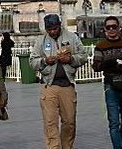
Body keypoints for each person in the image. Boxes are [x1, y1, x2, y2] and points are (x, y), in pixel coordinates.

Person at [28, 13, 88, 149]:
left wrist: (71, 59)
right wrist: (44, 61)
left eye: (55, 28)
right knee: (50, 122)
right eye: (49, 29)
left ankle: (67, 147)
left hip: (67, 86)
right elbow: (32, 61)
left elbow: (83, 56)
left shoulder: (72, 37)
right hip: (49, 86)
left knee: (69, 122)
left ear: (59, 25)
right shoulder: (41, 41)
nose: (52, 32)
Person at [93, 15, 122, 149]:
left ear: (119, 28)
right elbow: (96, 66)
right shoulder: (101, 46)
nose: (112, 29)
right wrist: (111, 63)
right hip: (111, 86)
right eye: (109, 27)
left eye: (114, 26)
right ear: (105, 29)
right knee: (114, 122)